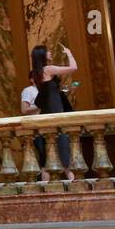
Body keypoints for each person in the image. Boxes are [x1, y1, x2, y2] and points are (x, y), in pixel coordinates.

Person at [27, 43, 76, 182]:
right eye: (47, 51)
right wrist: (69, 52)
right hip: (56, 113)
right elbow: (73, 68)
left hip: (48, 113)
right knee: (63, 148)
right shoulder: (48, 69)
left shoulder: (38, 72)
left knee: (49, 155)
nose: (50, 53)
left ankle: (46, 187)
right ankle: (72, 182)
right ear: (42, 55)